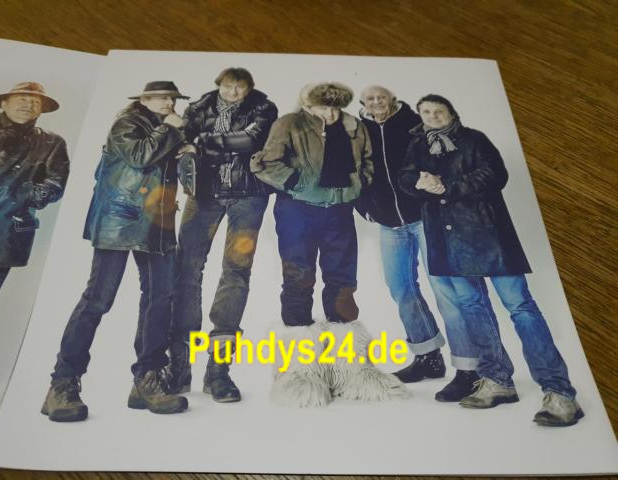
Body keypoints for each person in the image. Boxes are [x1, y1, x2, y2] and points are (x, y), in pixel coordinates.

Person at [399, 93, 583, 426]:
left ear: (452, 113)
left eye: (439, 111)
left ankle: (559, 392)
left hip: (489, 237)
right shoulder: (417, 146)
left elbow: (495, 175)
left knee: (521, 307)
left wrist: (447, 185)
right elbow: (405, 178)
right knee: (472, 308)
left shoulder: (474, 140)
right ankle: (498, 381)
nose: (432, 116)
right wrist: (417, 182)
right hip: (447, 240)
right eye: (426, 112)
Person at [43, 81, 192, 422]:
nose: (169, 103)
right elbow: (140, 156)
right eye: (162, 97)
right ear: (144, 99)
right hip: (118, 221)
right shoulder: (127, 124)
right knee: (98, 299)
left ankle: (148, 379)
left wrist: (187, 149)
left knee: (160, 299)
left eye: (172, 98)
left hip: (158, 223)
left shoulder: (169, 129)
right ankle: (62, 383)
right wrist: (171, 131)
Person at [252, 82, 406, 407]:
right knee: (298, 280)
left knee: (342, 282)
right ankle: (299, 373)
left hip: (339, 210)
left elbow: (368, 163)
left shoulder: (353, 127)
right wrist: (299, 184)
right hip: (297, 211)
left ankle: (350, 371)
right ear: (308, 106)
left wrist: (354, 187)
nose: (330, 114)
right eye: (323, 108)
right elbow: (264, 164)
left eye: (335, 107)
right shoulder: (289, 124)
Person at [356, 86, 481, 402]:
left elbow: (444, 162)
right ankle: (427, 356)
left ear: (393, 100)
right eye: (370, 99)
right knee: (400, 287)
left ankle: (468, 369)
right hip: (389, 224)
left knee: (444, 289)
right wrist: (365, 208)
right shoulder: (359, 131)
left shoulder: (414, 124)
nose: (376, 103)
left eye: (381, 97)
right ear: (363, 104)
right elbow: (353, 169)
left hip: (425, 219)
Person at [169, 68, 278, 402]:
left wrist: (203, 142)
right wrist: (194, 143)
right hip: (202, 195)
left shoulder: (264, 107)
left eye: (240, 87)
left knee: (236, 271)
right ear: (218, 86)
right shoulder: (198, 108)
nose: (233, 93)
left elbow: (251, 141)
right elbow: (180, 143)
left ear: (249, 88)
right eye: (228, 86)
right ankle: (179, 365)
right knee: (186, 270)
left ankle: (219, 370)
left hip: (249, 196)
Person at [0, 82, 69, 332]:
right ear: (4, 103)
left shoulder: (51, 142)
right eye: (22, 99)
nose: (28, 105)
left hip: (4, 232)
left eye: (35, 102)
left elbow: (56, 182)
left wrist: (25, 194)